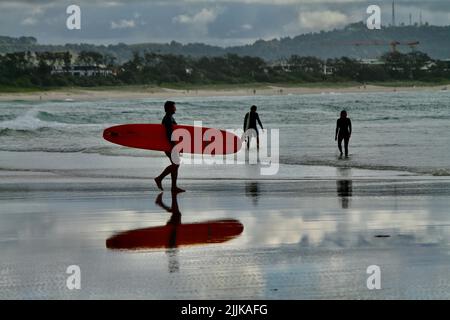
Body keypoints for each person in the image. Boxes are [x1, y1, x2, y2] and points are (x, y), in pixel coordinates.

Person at [154, 101, 185, 193]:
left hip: (171, 145)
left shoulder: (170, 117)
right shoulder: (168, 119)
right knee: (176, 164)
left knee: (175, 165)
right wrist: (174, 146)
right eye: (174, 107)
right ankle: (159, 178)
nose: (175, 108)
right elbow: (169, 134)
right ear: (169, 108)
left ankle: (173, 187)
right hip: (169, 145)